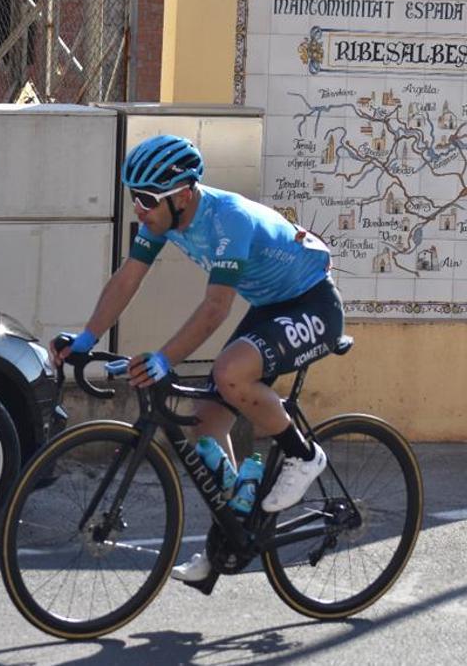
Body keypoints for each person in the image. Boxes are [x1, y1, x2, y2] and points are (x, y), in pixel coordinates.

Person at [51, 134, 345, 584]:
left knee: (230, 375)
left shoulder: (230, 221)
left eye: (147, 199)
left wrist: (164, 359)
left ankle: (302, 454)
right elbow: (128, 277)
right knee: (207, 424)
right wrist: (87, 338)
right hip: (270, 307)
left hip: (313, 304)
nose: (139, 209)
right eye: (134, 197)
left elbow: (215, 309)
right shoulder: (162, 221)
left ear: (183, 194)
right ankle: (232, 535)